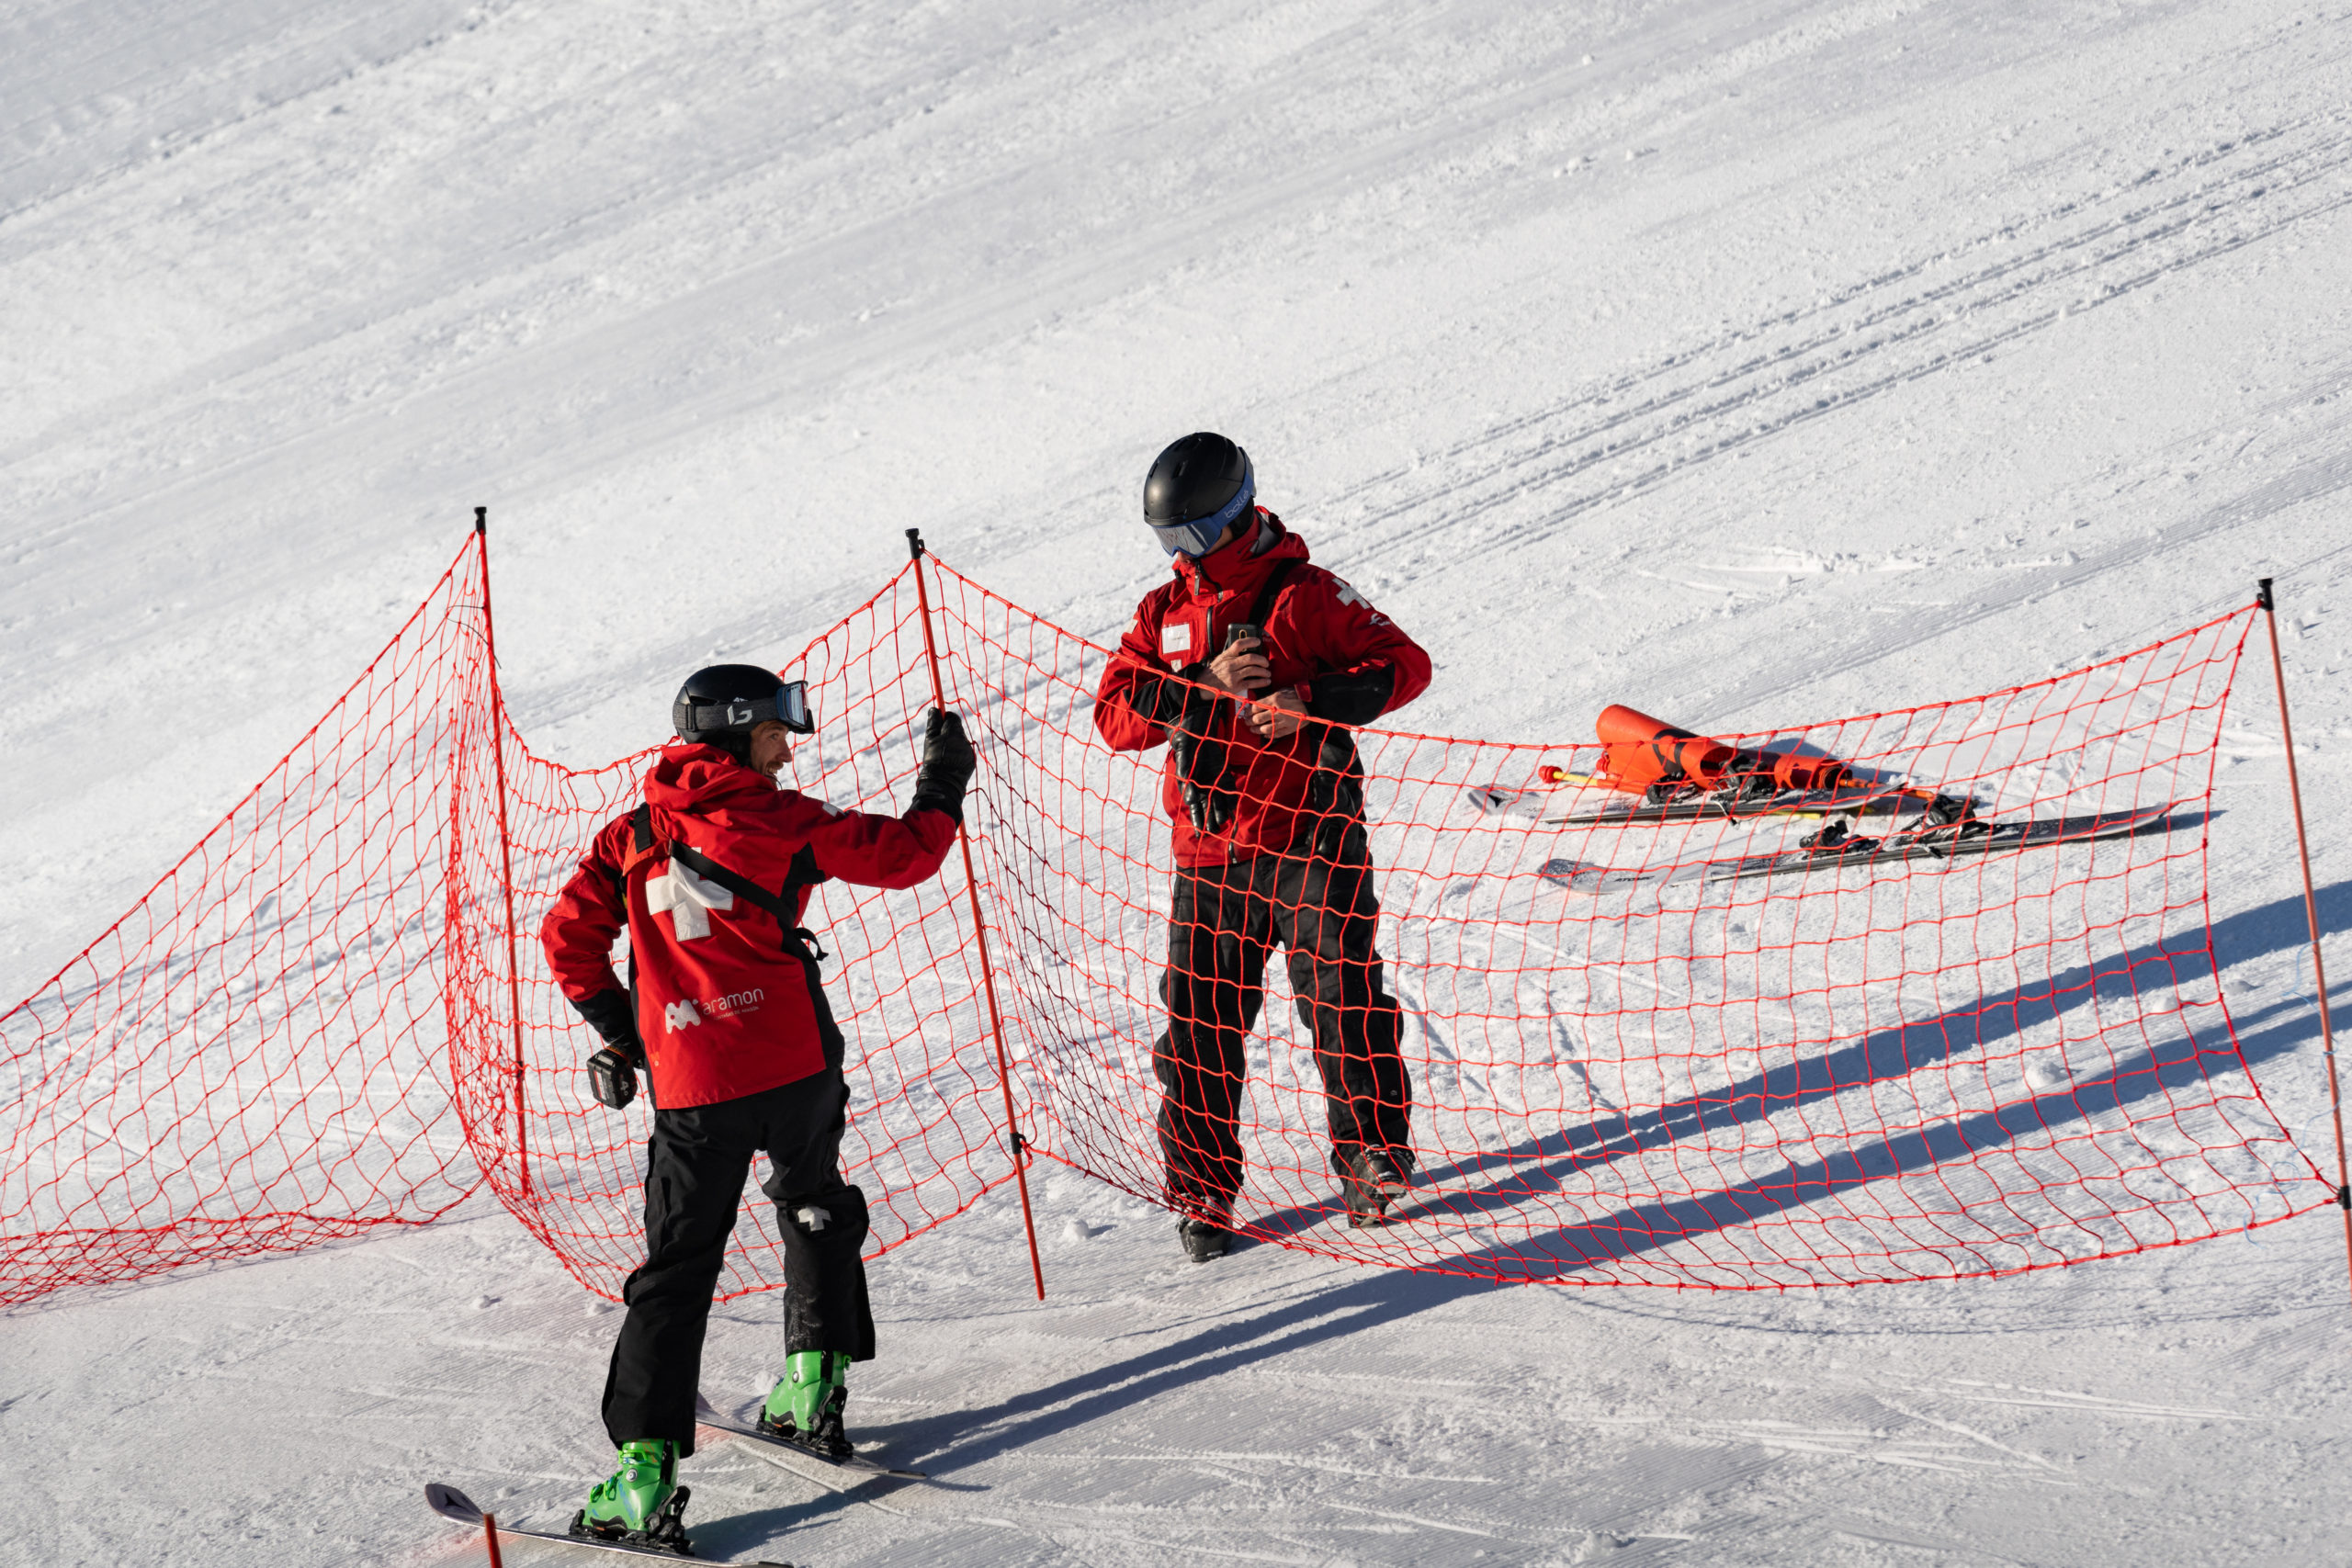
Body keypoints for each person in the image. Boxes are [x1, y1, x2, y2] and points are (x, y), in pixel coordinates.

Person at [539, 664, 973, 1552]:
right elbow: (909, 855)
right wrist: (942, 779)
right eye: (777, 732)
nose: (787, 749)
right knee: (815, 1203)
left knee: (679, 1265)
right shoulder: (784, 819)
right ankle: (812, 1389)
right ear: (735, 732)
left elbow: (567, 940)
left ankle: (642, 1479)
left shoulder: (629, 835)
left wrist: (628, 1032)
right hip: (796, 1063)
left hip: (695, 1085)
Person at [1093, 432, 1432, 1263]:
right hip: (1208, 852)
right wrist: (1201, 685)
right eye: (1170, 539)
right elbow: (1114, 717)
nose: (1184, 553)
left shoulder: (1304, 596)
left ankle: (1372, 1157)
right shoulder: (1162, 613)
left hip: (1311, 841)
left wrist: (1306, 698)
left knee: (1344, 1003)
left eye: (1196, 534)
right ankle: (1202, 1190)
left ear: (1237, 514)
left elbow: (1406, 665)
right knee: (1198, 1029)